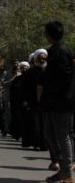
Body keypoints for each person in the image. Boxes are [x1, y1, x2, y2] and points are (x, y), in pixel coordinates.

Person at [39, 21, 74, 183]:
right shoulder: (54, 51)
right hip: (52, 101)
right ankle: (62, 168)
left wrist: (52, 90)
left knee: (62, 136)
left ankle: (66, 172)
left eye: (46, 32)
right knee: (50, 134)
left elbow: (65, 77)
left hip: (61, 102)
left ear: (50, 34)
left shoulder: (61, 51)